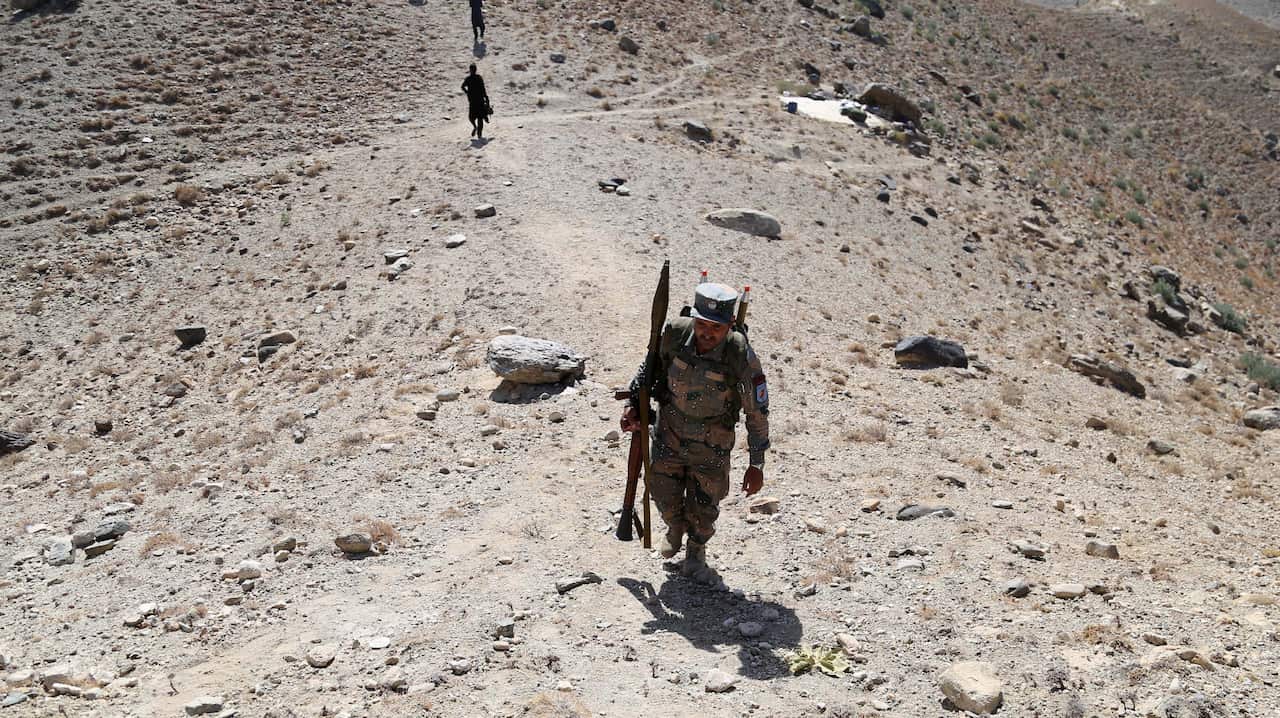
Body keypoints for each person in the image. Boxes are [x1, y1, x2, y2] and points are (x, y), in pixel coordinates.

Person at [621, 282, 770, 585]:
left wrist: (756, 465)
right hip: (669, 435)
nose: (707, 333)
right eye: (702, 324)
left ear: (729, 325)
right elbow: (648, 370)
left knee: (705, 506)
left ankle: (696, 549)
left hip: (711, 447)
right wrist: (632, 404)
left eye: (716, 327)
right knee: (661, 490)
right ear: (694, 318)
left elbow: (756, 413)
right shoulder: (675, 334)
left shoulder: (739, 354)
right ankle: (674, 529)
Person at [461, 64, 490, 139]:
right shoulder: (472, 78)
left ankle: (479, 133)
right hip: (477, 101)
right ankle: (476, 128)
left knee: (474, 118)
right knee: (476, 118)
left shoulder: (473, 78)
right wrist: (486, 97)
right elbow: (463, 87)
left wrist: (467, 93)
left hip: (476, 101)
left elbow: (463, 87)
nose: (472, 71)